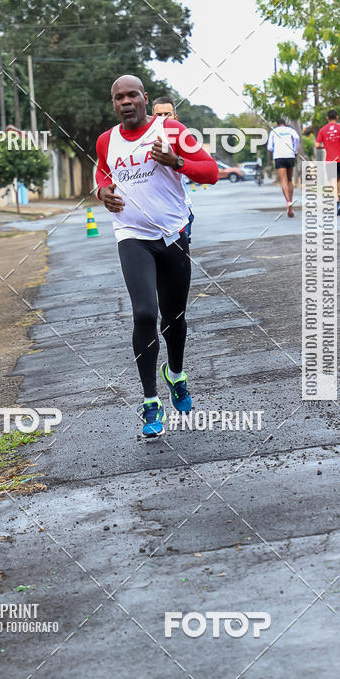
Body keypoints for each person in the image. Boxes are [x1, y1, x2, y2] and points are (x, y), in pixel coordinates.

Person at [96, 75, 219, 439]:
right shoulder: (106, 140)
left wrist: (177, 160)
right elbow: (103, 174)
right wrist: (103, 192)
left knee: (174, 318)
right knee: (145, 314)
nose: (126, 101)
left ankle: (176, 373)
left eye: (133, 95)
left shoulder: (173, 130)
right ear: (114, 103)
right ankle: (151, 400)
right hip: (132, 236)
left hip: (173, 234)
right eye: (119, 97)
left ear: (145, 98)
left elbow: (211, 172)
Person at [152, 96, 194, 241]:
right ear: (152, 118)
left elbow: (202, 168)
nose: (163, 119)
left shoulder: (183, 140)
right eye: (159, 115)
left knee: (179, 260)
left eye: (167, 114)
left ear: (175, 118)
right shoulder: (144, 141)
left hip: (180, 213)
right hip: (151, 217)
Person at [316, 109, 340, 215]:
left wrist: (323, 146)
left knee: (332, 182)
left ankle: (337, 202)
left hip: (330, 160)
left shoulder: (322, 130)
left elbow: (317, 145)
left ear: (327, 118)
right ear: (337, 117)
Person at [266, 118, 300, 217]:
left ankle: (288, 201)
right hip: (290, 155)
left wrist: (274, 148)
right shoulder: (290, 130)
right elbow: (297, 138)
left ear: (277, 124)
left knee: (283, 180)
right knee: (289, 179)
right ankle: (291, 202)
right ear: (285, 124)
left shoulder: (274, 131)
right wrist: (294, 149)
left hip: (279, 156)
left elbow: (269, 147)